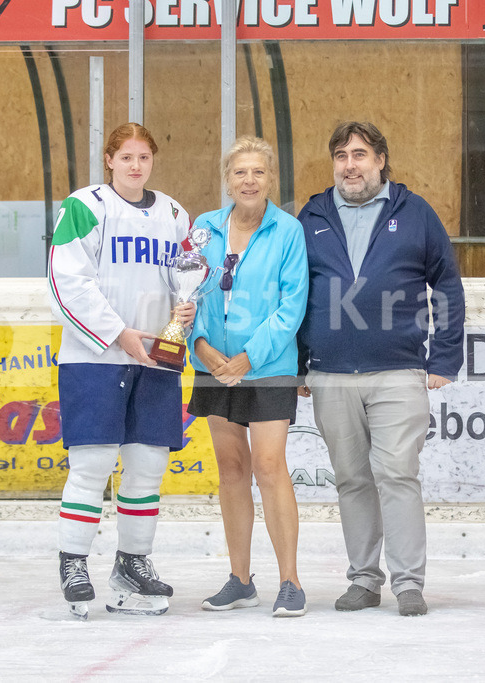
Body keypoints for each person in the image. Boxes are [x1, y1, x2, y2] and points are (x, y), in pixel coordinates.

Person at [296, 121, 466, 617]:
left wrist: (446, 356)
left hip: (398, 371)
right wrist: (301, 363)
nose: (350, 164)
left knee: (396, 473)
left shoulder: (414, 213)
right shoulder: (311, 215)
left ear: (381, 160)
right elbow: (293, 294)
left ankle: (408, 582)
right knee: (351, 479)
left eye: (360, 155)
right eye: (341, 156)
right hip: (330, 374)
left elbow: (447, 286)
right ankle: (364, 580)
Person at [48, 122, 195, 620]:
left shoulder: (175, 213)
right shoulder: (84, 206)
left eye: (144, 158)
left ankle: (133, 563)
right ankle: (74, 563)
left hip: (156, 358)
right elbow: (67, 281)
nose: (136, 166)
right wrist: (119, 333)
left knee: (149, 464)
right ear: (109, 159)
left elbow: (185, 278)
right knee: (92, 465)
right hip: (96, 357)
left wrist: (182, 315)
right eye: (126, 157)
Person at [186, 136, 309, 617]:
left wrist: (249, 357)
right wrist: (200, 345)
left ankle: (291, 581)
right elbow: (187, 291)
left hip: (268, 367)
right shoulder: (203, 228)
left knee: (269, 467)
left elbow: (291, 306)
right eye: (240, 172)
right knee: (232, 469)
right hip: (213, 365)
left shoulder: (288, 231)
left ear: (270, 178)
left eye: (258, 172)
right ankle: (240, 579)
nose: (249, 181)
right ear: (227, 179)